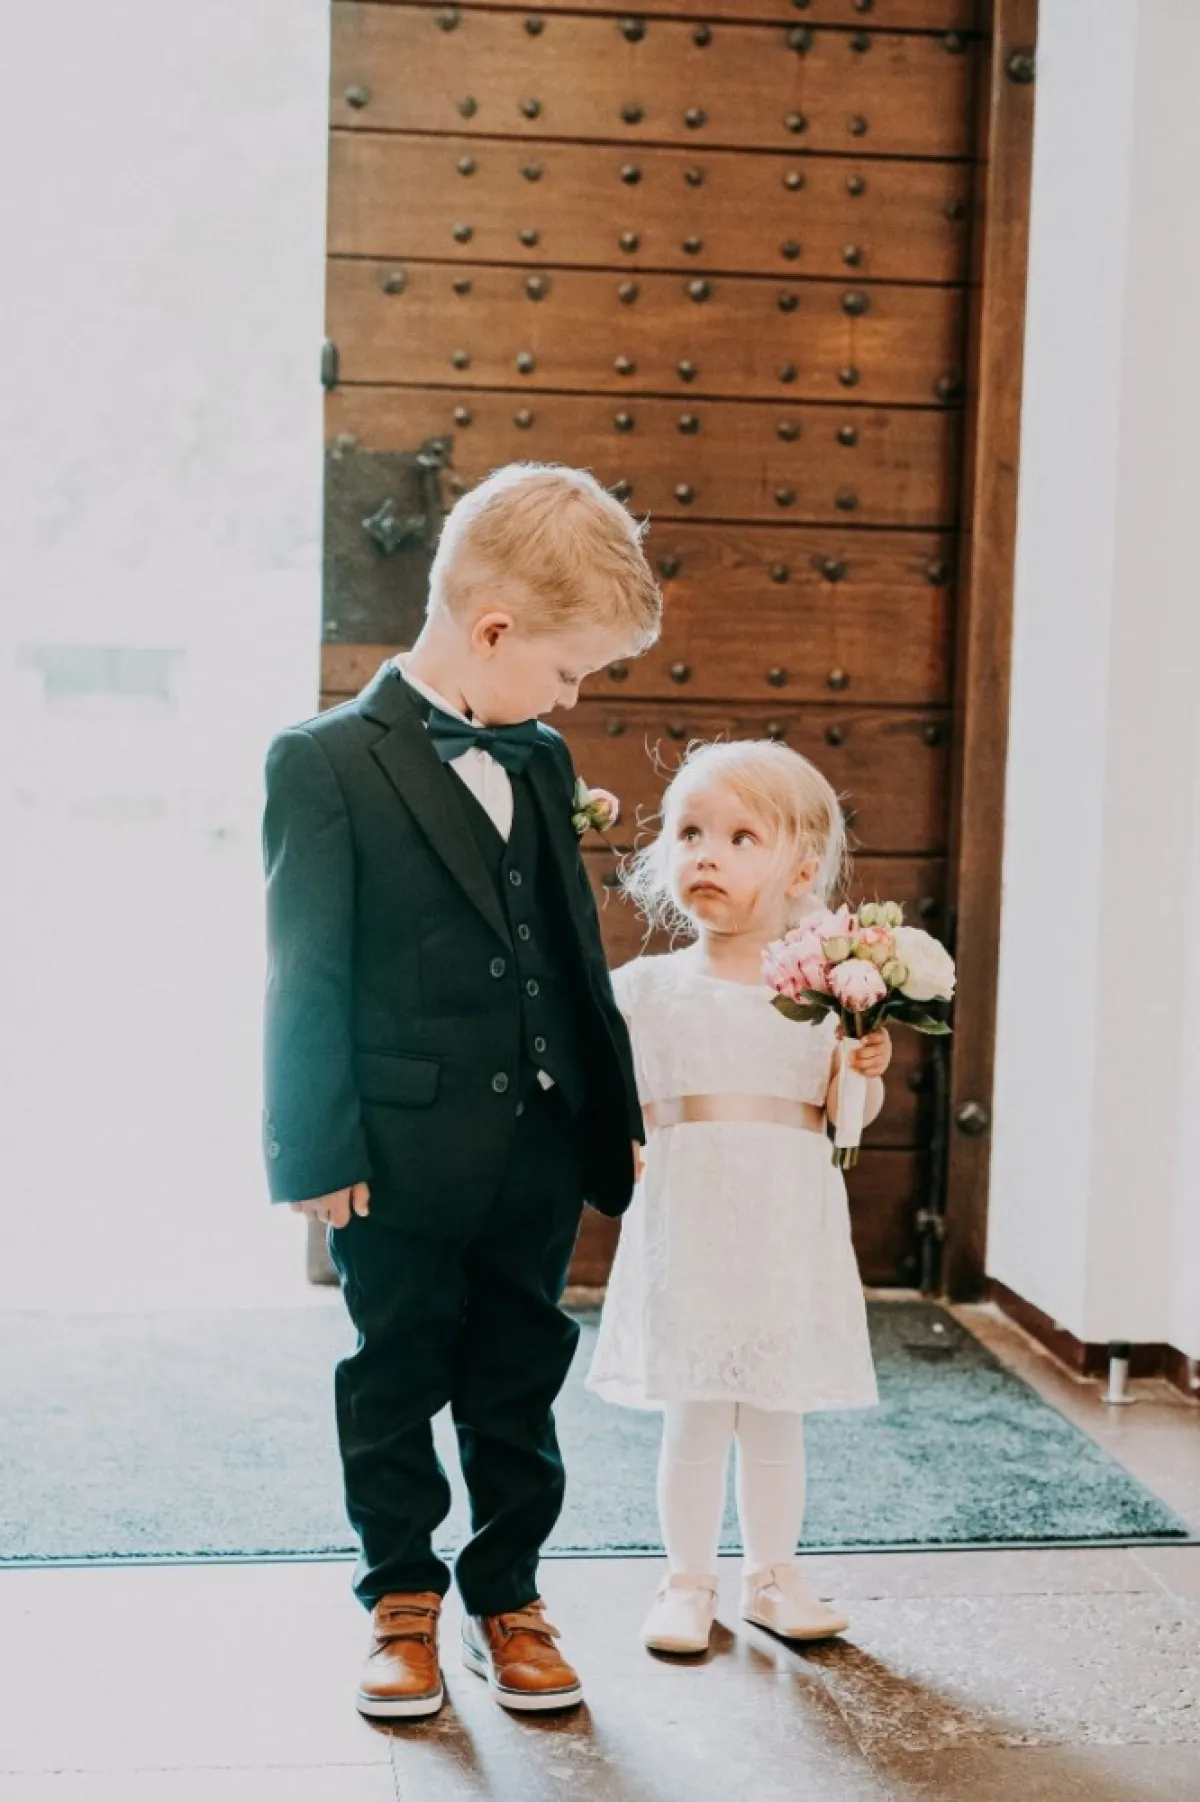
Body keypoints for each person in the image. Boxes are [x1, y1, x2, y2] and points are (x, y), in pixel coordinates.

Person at [261, 463, 660, 1718]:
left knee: (519, 1373)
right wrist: (313, 1149)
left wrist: (611, 1112)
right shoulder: (323, 761)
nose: (573, 696)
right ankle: (400, 1596)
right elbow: (304, 974)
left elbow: (573, 948)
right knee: (395, 1372)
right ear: (493, 630)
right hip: (394, 1152)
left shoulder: (539, 757)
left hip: (535, 1145)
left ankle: (509, 1592)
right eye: (569, 669)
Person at [587, 739, 887, 1655]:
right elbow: (607, 1097)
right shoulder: (645, 989)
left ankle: (772, 1576)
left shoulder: (825, 997)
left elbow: (844, 1120)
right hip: (689, 1226)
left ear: (801, 869)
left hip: (785, 1228)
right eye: (688, 834)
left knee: (773, 1414)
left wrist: (861, 1067)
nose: (705, 855)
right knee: (695, 1412)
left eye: (739, 837)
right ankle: (686, 1580)